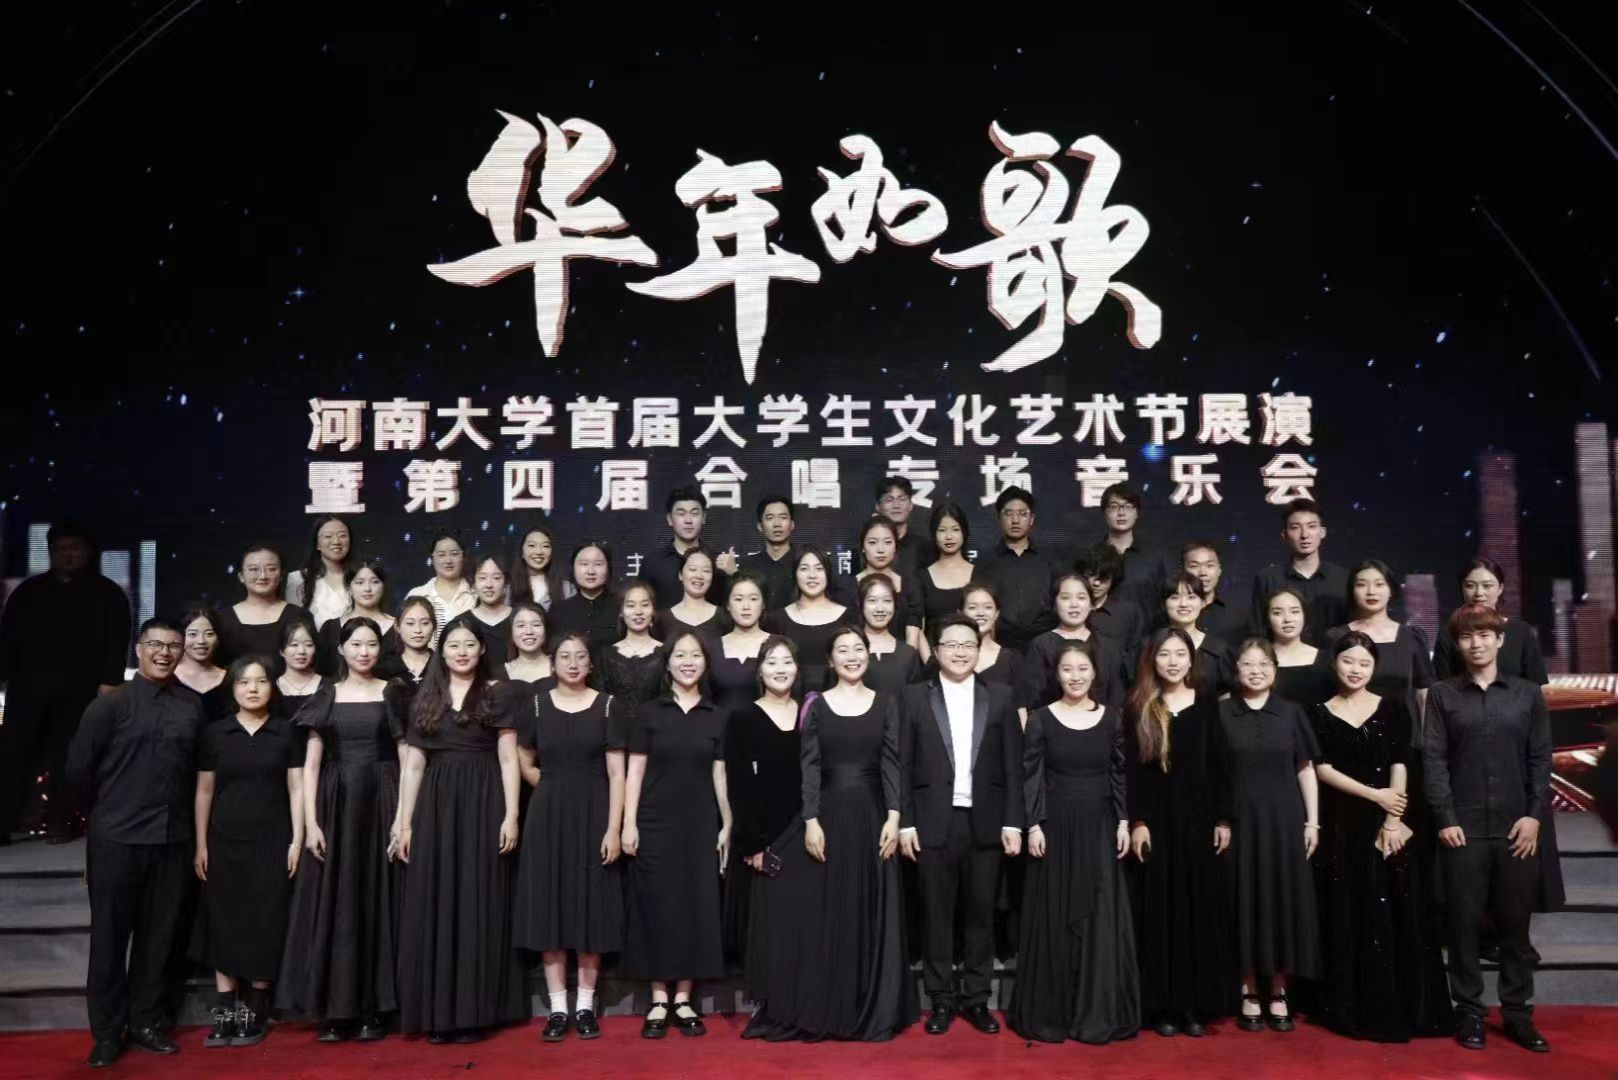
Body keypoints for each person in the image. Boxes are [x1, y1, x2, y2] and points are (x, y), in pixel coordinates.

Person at [746, 627, 913, 1041]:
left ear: (868, 657)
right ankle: (824, 1002)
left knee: (869, 908)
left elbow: (893, 763)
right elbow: (810, 765)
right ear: (830, 660)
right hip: (828, 816)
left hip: (874, 817)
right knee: (827, 909)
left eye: (858, 649)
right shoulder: (815, 705)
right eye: (843, 650)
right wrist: (811, 820)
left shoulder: (887, 703)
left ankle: (868, 1004)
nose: (852, 656)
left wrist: (894, 817)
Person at [66, 617, 203, 1068]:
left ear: (182, 653)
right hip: (117, 838)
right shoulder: (109, 705)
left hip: (173, 839)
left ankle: (146, 1023)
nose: (165, 653)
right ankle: (107, 1033)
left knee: (158, 939)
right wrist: (104, 816)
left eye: (173, 646)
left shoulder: (192, 706)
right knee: (109, 938)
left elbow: (197, 773)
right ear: (139, 649)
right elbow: (79, 772)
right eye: (156, 645)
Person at [1309, 632, 1452, 1042]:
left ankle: (1403, 1006)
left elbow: (1400, 762)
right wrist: (1375, 795)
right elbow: (1321, 769)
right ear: (1334, 664)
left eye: (1364, 664)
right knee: (1350, 907)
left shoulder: (1392, 708)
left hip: (1389, 820)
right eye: (1348, 661)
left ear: (1373, 668)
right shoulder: (1317, 712)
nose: (1355, 670)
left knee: (1395, 909)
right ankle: (1354, 1005)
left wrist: (1392, 818)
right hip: (1342, 820)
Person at [1425, 604, 1552, 1054]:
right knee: (1462, 925)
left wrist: (1534, 816)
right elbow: (1434, 760)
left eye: (1484, 635)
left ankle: (1517, 1014)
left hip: (1517, 827)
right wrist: (1445, 817)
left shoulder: (1527, 694)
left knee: (1515, 926)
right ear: (1456, 644)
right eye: (1466, 636)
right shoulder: (1442, 695)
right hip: (1462, 829)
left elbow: (1540, 759)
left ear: (1500, 640)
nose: (1475, 643)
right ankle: (1470, 1013)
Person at [395, 615, 525, 1043]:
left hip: (485, 800)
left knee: (478, 898)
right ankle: (438, 1014)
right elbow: (414, 765)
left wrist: (511, 815)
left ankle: (475, 1013)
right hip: (436, 805)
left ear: (482, 649)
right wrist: (404, 822)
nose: (462, 652)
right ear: (442, 651)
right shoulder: (425, 696)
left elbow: (508, 758)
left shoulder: (498, 692)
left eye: (470, 644)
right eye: (453, 645)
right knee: (436, 901)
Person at [275, 617, 401, 1042]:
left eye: (371, 644)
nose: (364, 652)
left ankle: (374, 1008)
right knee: (338, 901)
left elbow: (407, 757)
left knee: (377, 900)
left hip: (383, 798)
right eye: (356, 644)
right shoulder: (326, 693)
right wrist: (311, 822)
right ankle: (336, 1009)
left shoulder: (392, 692)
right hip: (338, 803)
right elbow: (311, 765)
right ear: (342, 649)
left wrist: (402, 817)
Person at [1008, 639, 1139, 1044]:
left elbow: (1119, 774)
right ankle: (1056, 1013)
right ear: (1056, 674)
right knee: (1055, 914)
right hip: (1055, 828)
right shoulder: (1041, 720)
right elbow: (1031, 775)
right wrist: (1034, 824)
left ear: (1095, 672)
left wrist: (1123, 820)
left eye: (1083, 669)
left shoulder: (1113, 719)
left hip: (1100, 826)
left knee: (1098, 917)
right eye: (1067, 669)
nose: (1075, 676)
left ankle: (1094, 1013)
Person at [899, 614, 1023, 1036]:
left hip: (986, 822)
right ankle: (940, 999)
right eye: (950, 644)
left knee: (980, 915)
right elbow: (903, 764)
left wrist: (1013, 822)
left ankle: (976, 999)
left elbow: (1013, 765)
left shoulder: (1001, 696)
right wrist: (906, 823)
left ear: (979, 649)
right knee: (936, 915)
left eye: (968, 644)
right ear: (936, 651)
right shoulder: (914, 697)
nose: (959, 652)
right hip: (933, 821)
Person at [513, 631, 626, 1043]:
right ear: (553, 662)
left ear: (591, 664)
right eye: (565, 656)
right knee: (551, 905)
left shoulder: (608, 705)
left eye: (580, 656)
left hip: (596, 811)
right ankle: (558, 1008)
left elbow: (617, 772)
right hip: (548, 815)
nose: (573, 663)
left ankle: (586, 1006)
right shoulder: (536, 704)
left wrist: (614, 827)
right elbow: (524, 760)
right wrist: (550, 786)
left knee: (590, 904)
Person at [1433, 557, 1561, 917]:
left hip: (1515, 749)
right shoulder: (1449, 632)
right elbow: (1441, 691)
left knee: (1520, 848)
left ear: (1501, 589)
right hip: (1468, 748)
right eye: (1470, 585)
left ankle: (1514, 928)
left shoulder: (1520, 633)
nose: (1479, 592)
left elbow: (1537, 695)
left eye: (1487, 585)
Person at [1126, 627, 1236, 1037]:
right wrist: (1138, 822)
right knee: (1160, 913)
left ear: (1191, 659)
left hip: (1199, 824)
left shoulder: (1207, 705)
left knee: (1197, 911)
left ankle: (1194, 1006)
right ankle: (1163, 1007)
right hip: (1156, 825)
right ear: (1152, 660)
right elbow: (1133, 773)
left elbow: (1222, 766)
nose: (1172, 662)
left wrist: (1223, 819)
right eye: (1164, 655)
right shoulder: (1140, 705)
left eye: (1179, 654)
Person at [621, 632, 731, 1038]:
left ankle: (683, 999)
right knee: (657, 906)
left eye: (695, 655)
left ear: (706, 663)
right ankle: (658, 999)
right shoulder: (650, 712)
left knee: (695, 906)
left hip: (700, 823)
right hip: (653, 821)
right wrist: (628, 822)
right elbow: (634, 772)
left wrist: (727, 822)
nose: (688, 661)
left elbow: (720, 775)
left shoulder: (717, 715)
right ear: (666, 663)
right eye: (680, 655)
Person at [190, 656, 304, 1048]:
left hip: (273, 840)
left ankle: (255, 1008)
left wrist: (296, 840)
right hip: (224, 841)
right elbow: (204, 791)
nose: (252, 689)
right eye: (243, 682)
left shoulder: (287, 732)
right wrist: (201, 844)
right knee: (224, 921)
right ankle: (225, 1010)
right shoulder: (215, 734)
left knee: (266, 920)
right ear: (233, 688)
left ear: (273, 687)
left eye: (260, 681)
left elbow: (297, 788)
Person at [0, 521, 130, 845]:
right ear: (51, 551)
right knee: (13, 755)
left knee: (69, 761)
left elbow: (117, 643)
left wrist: (110, 683)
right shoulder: (28, 592)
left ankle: (62, 824)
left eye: (75, 548)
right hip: (27, 691)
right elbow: (8, 639)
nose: (68, 555)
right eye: (61, 549)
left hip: (80, 693)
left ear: (87, 552)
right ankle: (4, 822)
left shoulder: (108, 593)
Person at [1220, 638, 1322, 1033]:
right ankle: (1247, 988)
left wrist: (1312, 822)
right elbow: (1212, 773)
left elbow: (1305, 769)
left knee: (1282, 901)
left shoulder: (1291, 712)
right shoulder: (1222, 712)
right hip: (1239, 820)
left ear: (1275, 670)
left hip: (1284, 820)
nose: (1256, 670)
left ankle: (1279, 989)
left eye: (1264, 663)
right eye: (1248, 663)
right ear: (1237, 670)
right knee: (1243, 899)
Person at [721, 636, 801, 962]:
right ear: (760, 671)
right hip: (764, 836)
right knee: (765, 927)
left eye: (787, 662)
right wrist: (753, 845)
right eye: (772, 662)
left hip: (805, 831)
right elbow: (740, 786)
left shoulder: (811, 712)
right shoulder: (742, 719)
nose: (780, 669)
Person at [1325, 559, 1435, 729]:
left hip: (1404, 735)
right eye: (1362, 585)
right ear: (1352, 591)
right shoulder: (1337, 637)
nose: (1371, 592)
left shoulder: (1412, 637)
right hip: (1349, 734)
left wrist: (1428, 738)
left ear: (1391, 590)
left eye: (1379, 584)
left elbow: (1424, 693)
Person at [969, 487, 1059, 653]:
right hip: (999, 647)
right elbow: (978, 605)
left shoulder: (1048, 561)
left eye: (1022, 514)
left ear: (1032, 519)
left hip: (1043, 646)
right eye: (1009, 514)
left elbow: (1058, 603)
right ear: (999, 517)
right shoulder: (985, 562)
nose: (1015, 520)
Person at [1249, 499, 1349, 646]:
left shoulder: (1342, 578)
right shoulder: (1268, 579)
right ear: (1285, 534)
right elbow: (1258, 631)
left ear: (1322, 532)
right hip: (1281, 657)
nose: (1304, 535)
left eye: (1311, 526)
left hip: (1332, 658)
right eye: (1295, 528)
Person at [1023, 573, 1126, 711]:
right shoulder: (1040, 645)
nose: (1074, 604)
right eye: (1066, 598)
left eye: (1081, 598)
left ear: (1091, 604)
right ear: (1054, 604)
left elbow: (1116, 697)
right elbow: (1035, 699)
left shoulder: (1108, 646)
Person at [762, 547, 853, 694]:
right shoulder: (776, 619)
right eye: (804, 568)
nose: (812, 575)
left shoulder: (849, 617)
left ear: (828, 573)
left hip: (839, 701)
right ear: (795, 574)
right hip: (788, 701)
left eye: (819, 568)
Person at [216, 544, 305, 672]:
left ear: (281, 575)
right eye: (254, 569)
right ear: (241, 576)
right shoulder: (222, 619)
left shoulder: (299, 616)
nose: (263, 576)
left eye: (271, 569)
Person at [643, 486, 733, 609]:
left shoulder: (718, 561)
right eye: (681, 513)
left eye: (694, 513)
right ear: (670, 519)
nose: (688, 520)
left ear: (703, 518)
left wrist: (734, 574)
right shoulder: (653, 562)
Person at [961, 583, 1029, 726]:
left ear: (997, 613)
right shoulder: (946, 658)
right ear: (961, 612)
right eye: (972, 607)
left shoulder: (1013, 659)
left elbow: (1020, 710)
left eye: (988, 607)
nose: (980, 613)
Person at [317, 560, 397, 678]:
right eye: (360, 582)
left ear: (383, 586)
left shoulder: (399, 629)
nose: (367, 588)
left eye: (375, 582)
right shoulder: (330, 629)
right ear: (349, 587)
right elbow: (320, 675)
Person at [917, 501, 975, 662]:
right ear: (934, 534)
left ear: (964, 532)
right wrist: (930, 663)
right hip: (933, 659)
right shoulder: (922, 577)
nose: (949, 536)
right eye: (942, 530)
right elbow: (918, 629)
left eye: (955, 529)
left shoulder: (979, 575)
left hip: (971, 659)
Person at [855, 516, 924, 650]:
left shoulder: (910, 585)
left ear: (896, 546)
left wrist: (906, 660)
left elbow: (913, 634)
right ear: (863, 547)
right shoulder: (848, 586)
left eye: (887, 542)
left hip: (901, 658)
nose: (880, 549)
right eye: (872, 542)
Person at [1098, 482, 1168, 612]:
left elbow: (1161, 602)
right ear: (1104, 513)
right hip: (1101, 624)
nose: (1121, 512)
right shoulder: (1093, 557)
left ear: (1136, 513)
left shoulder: (1152, 559)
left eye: (1128, 506)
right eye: (1114, 506)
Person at [1161, 573, 1235, 696]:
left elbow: (1225, 698)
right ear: (1164, 604)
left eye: (1191, 597)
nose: (1183, 604)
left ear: (1203, 603)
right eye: (1175, 597)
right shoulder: (1149, 647)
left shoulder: (1219, 650)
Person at [602, 581, 666, 720]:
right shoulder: (606, 655)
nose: (638, 612)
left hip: (657, 728)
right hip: (615, 729)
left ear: (653, 610)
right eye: (631, 605)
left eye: (645, 605)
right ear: (621, 612)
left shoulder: (666, 652)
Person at [1264, 587, 1335, 706]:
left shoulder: (1326, 660)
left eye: (1294, 612)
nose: (1287, 619)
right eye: (1277, 613)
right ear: (1267, 619)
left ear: (1304, 615)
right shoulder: (1258, 661)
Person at [711, 572, 769, 715]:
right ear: (728, 605)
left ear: (763, 604)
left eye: (753, 599)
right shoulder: (711, 648)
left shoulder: (777, 647)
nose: (746, 606)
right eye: (738, 599)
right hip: (719, 725)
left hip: (765, 725)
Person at [404, 531, 474, 650]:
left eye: (454, 554)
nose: (448, 560)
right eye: (441, 555)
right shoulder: (417, 595)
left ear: (463, 557)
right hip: (427, 660)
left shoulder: (476, 595)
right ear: (432, 559)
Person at [549, 541, 620, 655]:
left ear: (608, 568)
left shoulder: (622, 606)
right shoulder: (559, 610)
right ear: (573, 568)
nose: (590, 571)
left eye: (598, 564)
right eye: (583, 564)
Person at [858, 574, 924, 693]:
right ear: (861, 604)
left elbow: (915, 699)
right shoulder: (849, 651)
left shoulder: (908, 654)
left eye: (887, 601)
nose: (880, 609)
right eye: (872, 601)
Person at [286, 515, 352, 629]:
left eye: (342, 535)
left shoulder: (360, 577)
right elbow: (293, 626)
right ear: (317, 544)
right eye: (328, 536)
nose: (336, 541)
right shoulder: (298, 579)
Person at [654, 548, 733, 642]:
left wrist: (734, 573)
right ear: (680, 575)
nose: (699, 576)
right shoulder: (662, 620)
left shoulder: (724, 618)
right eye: (693, 569)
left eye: (706, 571)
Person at [1078, 545, 1146, 653]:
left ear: (1113, 578)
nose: (1097, 583)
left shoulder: (1129, 612)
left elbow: (1135, 654)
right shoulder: (1071, 608)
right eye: (1092, 575)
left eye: (1104, 578)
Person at [737, 495, 799, 609]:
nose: (777, 524)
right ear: (760, 526)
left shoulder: (803, 564)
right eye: (770, 518)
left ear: (792, 524)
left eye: (783, 517)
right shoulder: (747, 566)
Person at [875, 475, 936, 588]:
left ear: (911, 505)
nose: (896, 505)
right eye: (889, 499)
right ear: (878, 507)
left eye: (902, 499)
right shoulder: (868, 549)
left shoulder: (926, 549)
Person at [1183, 540, 1247, 643]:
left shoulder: (1238, 619)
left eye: (1209, 565)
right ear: (1183, 571)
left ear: (1219, 570)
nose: (1202, 573)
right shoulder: (1170, 615)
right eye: (1194, 566)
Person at [175, 608, 231, 721]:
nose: (201, 641)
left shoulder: (231, 678)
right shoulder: (167, 677)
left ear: (218, 638)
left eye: (209, 634)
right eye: (192, 634)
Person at [468, 553, 515, 670]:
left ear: (506, 584)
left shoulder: (519, 620)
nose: (489, 585)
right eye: (482, 578)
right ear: (473, 584)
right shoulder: (462, 623)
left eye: (496, 578)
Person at [273, 614, 325, 719]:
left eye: (308, 645)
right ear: (281, 650)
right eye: (294, 645)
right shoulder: (271, 688)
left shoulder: (330, 688)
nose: (301, 651)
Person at [511, 524, 569, 611]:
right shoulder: (508, 588)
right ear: (522, 552)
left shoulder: (566, 588)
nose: (539, 552)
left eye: (545, 546)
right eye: (532, 545)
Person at [378, 596, 434, 685]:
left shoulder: (444, 665)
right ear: (397, 627)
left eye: (425, 623)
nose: (418, 630)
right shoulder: (383, 668)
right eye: (410, 623)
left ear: (434, 626)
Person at [505, 601, 554, 685]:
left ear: (546, 630)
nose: (529, 631)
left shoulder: (560, 666)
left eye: (536, 625)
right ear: (511, 632)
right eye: (521, 625)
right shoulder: (501, 673)